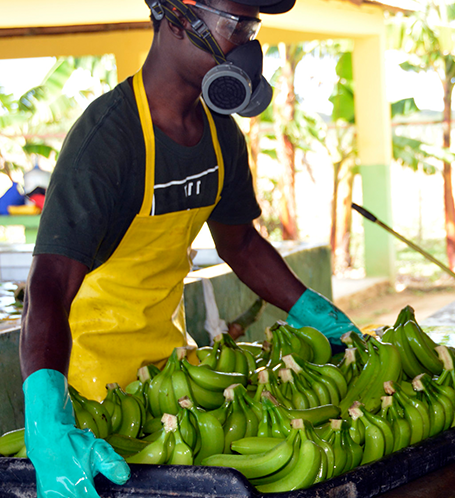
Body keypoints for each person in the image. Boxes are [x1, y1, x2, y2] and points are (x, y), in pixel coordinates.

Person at [18, 0, 360, 495]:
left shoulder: (221, 134)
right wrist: (48, 418)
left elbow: (239, 242)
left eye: (253, 25)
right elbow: (47, 284)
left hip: (174, 374)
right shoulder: (108, 140)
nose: (248, 42)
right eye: (235, 24)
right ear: (178, 18)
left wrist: (315, 310)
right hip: (91, 388)